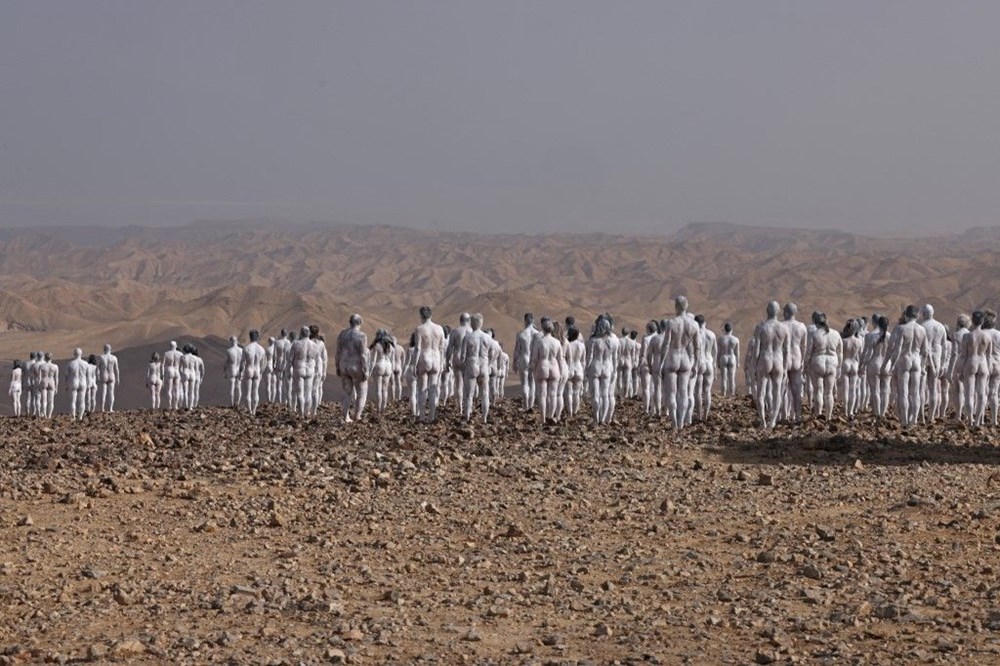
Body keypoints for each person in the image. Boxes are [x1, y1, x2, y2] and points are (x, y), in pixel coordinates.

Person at [883, 305, 930, 427]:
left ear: (906, 315)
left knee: (903, 392)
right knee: (915, 392)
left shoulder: (901, 329)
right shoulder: (922, 330)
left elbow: (897, 349)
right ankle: (913, 419)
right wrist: (924, 366)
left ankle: (904, 420)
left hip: (905, 359)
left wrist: (891, 364)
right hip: (917, 360)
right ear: (918, 315)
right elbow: (925, 351)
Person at [662, 297, 701, 430]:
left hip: (673, 356)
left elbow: (666, 344)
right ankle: (681, 423)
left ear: (676, 306)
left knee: (672, 393)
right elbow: (697, 347)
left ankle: (674, 422)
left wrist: (662, 362)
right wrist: (696, 364)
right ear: (687, 305)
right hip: (685, 358)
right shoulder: (694, 325)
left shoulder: (670, 323)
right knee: (683, 392)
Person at [754, 301, 791, 428]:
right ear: (779, 311)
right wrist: (786, 367)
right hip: (778, 360)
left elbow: (756, 350)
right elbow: (787, 350)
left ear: (767, 310)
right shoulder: (784, 328)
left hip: (765, 358)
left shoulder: (761, 327)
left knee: (761, 392)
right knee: (777, 392)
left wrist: (754, 365)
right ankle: (773, 420)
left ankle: (763, 420)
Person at [805, 312, 841, 422]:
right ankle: (828, 417)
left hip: (817, 363)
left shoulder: (814, 334)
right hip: (832, 363)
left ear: (816, 323)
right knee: (829, 392)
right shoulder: (836, 334)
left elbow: (808, 352)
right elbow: (840, 353)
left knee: (818, 391)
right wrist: (839, 367)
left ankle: (819, 415)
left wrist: (806, 365)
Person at [414, 306, 446, 423]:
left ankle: (422, 416)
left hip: (424, 358)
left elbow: (417, 348)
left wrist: (414, 364)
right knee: (433, 389)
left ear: (421, 315)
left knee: (422, 389)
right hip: (436, 358)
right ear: (431, 315)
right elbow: (442, 348)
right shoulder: (439, 329)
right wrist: (442, 363)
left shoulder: (420, 329)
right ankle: (431, 416)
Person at [336, 315, 370, 423]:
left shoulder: (342, 334)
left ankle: (346, 416)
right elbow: (363, 355)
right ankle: (357, 415)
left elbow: (338, 352)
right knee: (362, 392)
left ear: (350, 322)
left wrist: (337, 366)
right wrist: (366, 369)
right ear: (360, 322)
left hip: (344, 366)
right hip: (356, 366)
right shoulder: (362, 336)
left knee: (347, 392)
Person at [530, 317, 563, 425]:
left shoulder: (539, 342)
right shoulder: (557, 342)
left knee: (542, 394)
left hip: (542, 367)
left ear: (543, 328)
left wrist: (533, 369)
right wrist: (561, 371)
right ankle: (551, 416)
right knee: (553, 394)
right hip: (554, 368)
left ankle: (543, 418)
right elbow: (560, 359)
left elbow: (535, 359)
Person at [920, 304, 949, 423]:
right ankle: (931, 416)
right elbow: (945, 347)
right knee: (933, 389)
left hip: (923, 358)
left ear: (924, 314)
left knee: (921, 388)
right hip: (936, 358)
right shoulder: (940, 327)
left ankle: (921, 416)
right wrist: (943, 364)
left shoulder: (921, 326)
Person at [460, 313, 492, 423]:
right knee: (485, 394)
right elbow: (491, 354)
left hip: (472, 365)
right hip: (484, 365)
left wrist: (464, 364)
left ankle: (467, 416)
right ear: (481, 323)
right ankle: (484, 418)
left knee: (469, 394)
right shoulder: (487, 338)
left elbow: (463, 356)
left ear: (472, 324)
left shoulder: (468, 337)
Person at [586, 314, 617, 425]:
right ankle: (603, 419)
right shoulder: (613, 341)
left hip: (595, 367)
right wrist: (614, 371)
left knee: (595, 395)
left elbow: (589, 357)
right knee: (605, 395)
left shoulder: (593, 340)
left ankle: (596, 418)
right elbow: (615, 359)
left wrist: (587, 369)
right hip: (607, 368)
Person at [861, 314, 892, 419]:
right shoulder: (890, 336)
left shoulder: (870, 336)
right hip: (887, 365)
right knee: (885, 390)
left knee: (875, 390)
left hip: (875, 364)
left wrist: (862, 365)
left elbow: (868, 354)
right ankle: (883, 413)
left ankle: (877, 413)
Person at [782, 303, 808, 423]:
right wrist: (802, 360)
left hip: (784, 359)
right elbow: (804, 346)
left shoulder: (782, 326)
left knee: (783, 389)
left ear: (786, 312)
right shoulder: (802, 327)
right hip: (797, 357)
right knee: (796, 390)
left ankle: (784, 415)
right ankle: (798, 416)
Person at [513, 313, 540, 411]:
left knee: (524, 383)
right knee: (532, 382)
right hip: (534, 358)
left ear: (525, 320)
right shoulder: (537, 334)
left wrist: (514, 362)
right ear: (533, 320)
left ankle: (525, 404)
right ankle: (531, 405)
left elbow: (517, 350)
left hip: (524, 358)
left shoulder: (521, 334)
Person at [290, 326, 318, 417]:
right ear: (309, 333)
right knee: (308, 392)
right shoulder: (314, 345)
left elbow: (290, 359)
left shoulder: (296, 344)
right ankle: (307, 412)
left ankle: (301, 413)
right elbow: (316, 359)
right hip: (310, 369)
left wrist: (288, 370)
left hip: (299, 368)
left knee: (300, 392)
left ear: (301, 333)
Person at [694, 315, 718, 422]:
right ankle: (706, 415)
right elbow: (715, 352)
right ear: (705, 322)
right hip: (709, 362)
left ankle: (699, 415)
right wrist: (714, 365)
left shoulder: (695, 334)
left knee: (698, 391)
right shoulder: (711, 334)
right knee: (707, 391)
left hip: (700, 363)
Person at [840, 319, 863, 421]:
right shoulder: (859, 341)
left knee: (846, 388)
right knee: (853, 390)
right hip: (855, 364)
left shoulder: (844, 341)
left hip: (845, 363)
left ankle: (845, 411)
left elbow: (840, 355)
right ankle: (851, 411)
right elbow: (860, 355)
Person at [242, 329, 267, 416]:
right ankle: (254, 410)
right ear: (257, 337)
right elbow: (264, 364)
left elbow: (242, 363)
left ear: (250, 337)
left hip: (249, 370)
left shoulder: (246, 348)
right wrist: (261, 372)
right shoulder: (262, 349)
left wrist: (241, 372)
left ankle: (249, 411)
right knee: (255, 391)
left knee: (248, 392)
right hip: (257, 370)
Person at [951, 314, 971, 421]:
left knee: (958, 390)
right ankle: (968, 415)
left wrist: (950, 369)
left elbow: (954, 354)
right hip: (969, 363)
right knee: (969, 390)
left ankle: (958, 415)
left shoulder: (955, 335)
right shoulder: (970, 334)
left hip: (959, 364)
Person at [369, 328, 395, 414]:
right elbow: (392, 359)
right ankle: (384, 409)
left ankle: (379, 410)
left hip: (379, 365)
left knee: (378, 389)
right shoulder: (391, 346)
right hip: (388, 366)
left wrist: (369, 371)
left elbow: (373, 361)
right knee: (385, 389)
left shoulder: (376, 345)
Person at [564, 326, 586, 417]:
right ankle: (575, 411)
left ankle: (570, 413)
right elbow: (583, 361)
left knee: (568, 393)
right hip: (579, 369)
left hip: (569, 369)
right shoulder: (581, 345)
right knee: (576, 393)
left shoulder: (567, 344)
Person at [65, 348, 89, 420]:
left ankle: (73, 416)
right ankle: (80, 416)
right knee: (82, 400)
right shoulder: (85, 364)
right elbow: (88, 375)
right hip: (83, 382)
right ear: (81, 354)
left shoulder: (70, 363)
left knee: (73, 401)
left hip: (73, 381)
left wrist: (66, 385)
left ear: (74, 354)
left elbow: (66, 376)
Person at [717, 322, 740, 397]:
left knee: (724, 378)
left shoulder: (721, 339)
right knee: (732, 378)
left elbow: (719, 352)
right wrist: (738, 362)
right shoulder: (736, 339)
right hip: (732, 357)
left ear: (724, 329)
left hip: (723, 357)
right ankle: (732, 395)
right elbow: (737, 352)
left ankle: (723, 395)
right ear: (731, 329)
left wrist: (717, 362)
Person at [310, 326, 328, 408]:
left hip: (310, 366)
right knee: (316, 389)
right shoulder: (321, 344)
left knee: (309, 389)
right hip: (319, 367)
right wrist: (324, 371)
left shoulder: (309, 342)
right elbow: (325, 359)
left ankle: (309, 408)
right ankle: (315, 408)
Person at [164, 341, 184, 410]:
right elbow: (182, 365)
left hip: (170, 370)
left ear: (170, 346)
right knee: (177, 389)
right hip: (177, 371)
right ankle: (175, 405)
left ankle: (169, 405)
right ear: (176, 346)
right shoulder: (180, 354)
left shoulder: (166, 354)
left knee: (169, 389)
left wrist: (163, 374)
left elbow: (163, 365)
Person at [224, 336, 243, 408]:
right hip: (239, 370)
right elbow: (243, 362)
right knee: (238, 387)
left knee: (231, 387)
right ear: (237, 341)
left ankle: (231, 403)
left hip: (232, 370)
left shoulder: (229, 351)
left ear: (231, 341)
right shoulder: (241, 350)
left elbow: (226, 362)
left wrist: (225, 371)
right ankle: (237, 403)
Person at [273, 329, 290, 404]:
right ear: (287, 334)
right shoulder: (289, 342)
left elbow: (275, 355)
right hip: (287, 363)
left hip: (279, 363)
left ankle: (280, 401)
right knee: (286, 382)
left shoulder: (277, 342)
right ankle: (285, 400)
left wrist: (274, 364)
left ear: (281, 333)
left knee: (279, 382)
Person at [39, 352, 58, 419]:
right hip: (51, 381)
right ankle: (49, 416)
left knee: (44, 400)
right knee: (51, 401)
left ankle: (44, 415)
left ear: (45, 358)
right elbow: (56, 378)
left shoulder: (42, 366)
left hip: (44, 380)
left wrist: (39, 386)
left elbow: (39, 377)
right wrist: (56, 387)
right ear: (52, 358)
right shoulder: (55, 366)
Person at [180, 345, 198, 409]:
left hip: (185, 372)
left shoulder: (182, 357)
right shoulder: (195, 358)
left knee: (185, 391)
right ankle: (190, 407)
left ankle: (186, 405)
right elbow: (196, 368)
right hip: (192, 373)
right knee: (192, 391)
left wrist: (181, 374)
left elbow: (181, 368)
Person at [264, 336, 276, 403]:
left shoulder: (267, 349)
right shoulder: (276, 350)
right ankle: (273, 400)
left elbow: (264, 359)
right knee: (273, 385)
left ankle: (268, 400)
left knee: (268, 384)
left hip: (268, 365)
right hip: (274, 366)